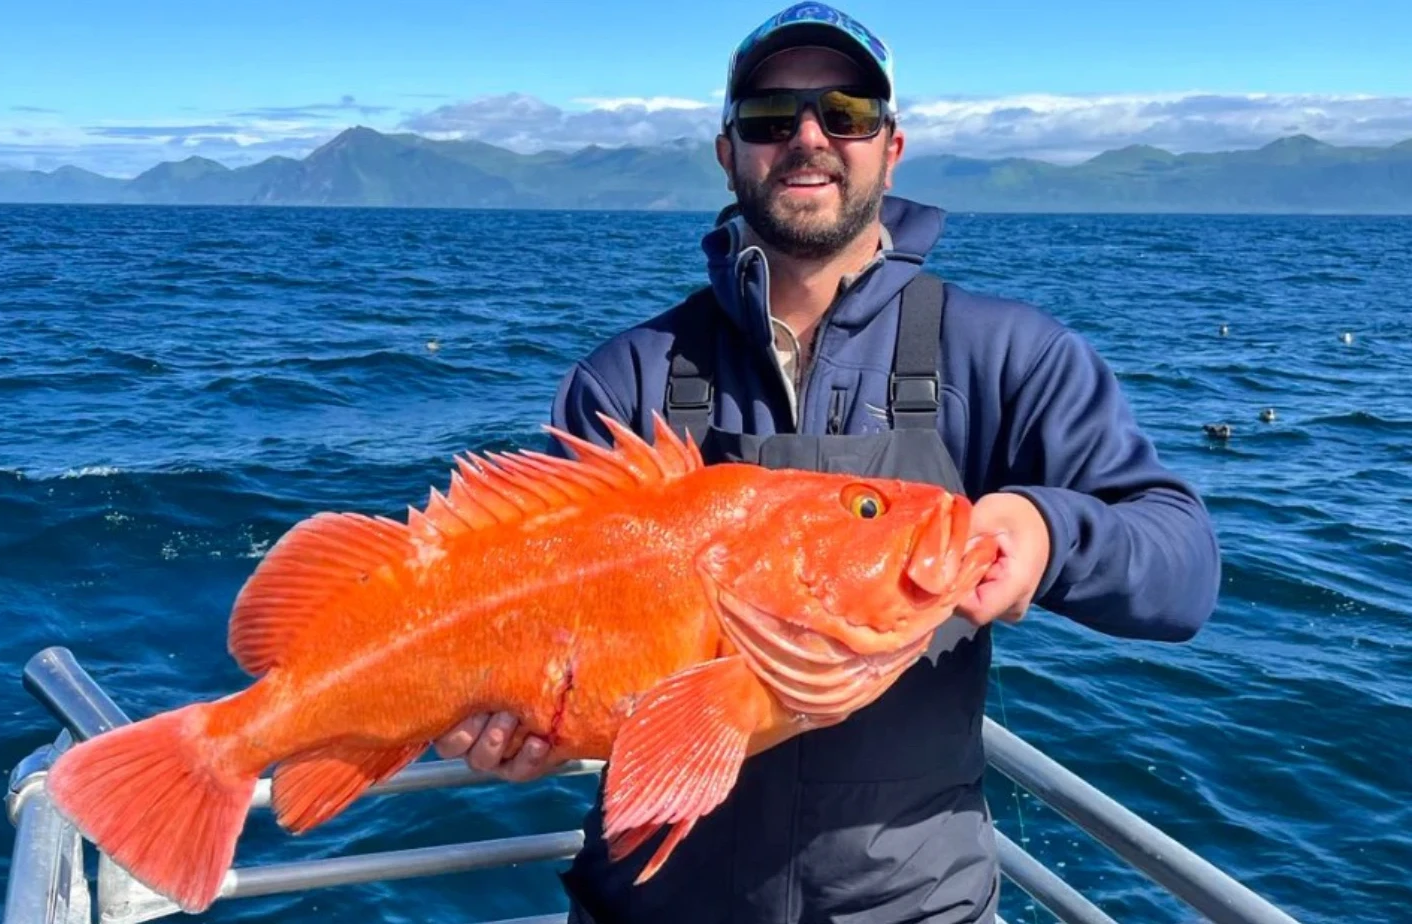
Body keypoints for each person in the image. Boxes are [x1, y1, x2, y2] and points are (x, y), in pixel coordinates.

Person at [433, 3, 1222, 921]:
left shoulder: (1008, 354)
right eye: (771, 117)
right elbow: (532, 606)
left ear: (892, 146)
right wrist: (504, 721)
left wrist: (1049, 534)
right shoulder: (625, 376)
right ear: (727, 152)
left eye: (846, 112)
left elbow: (1184, 570)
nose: (808, 138)